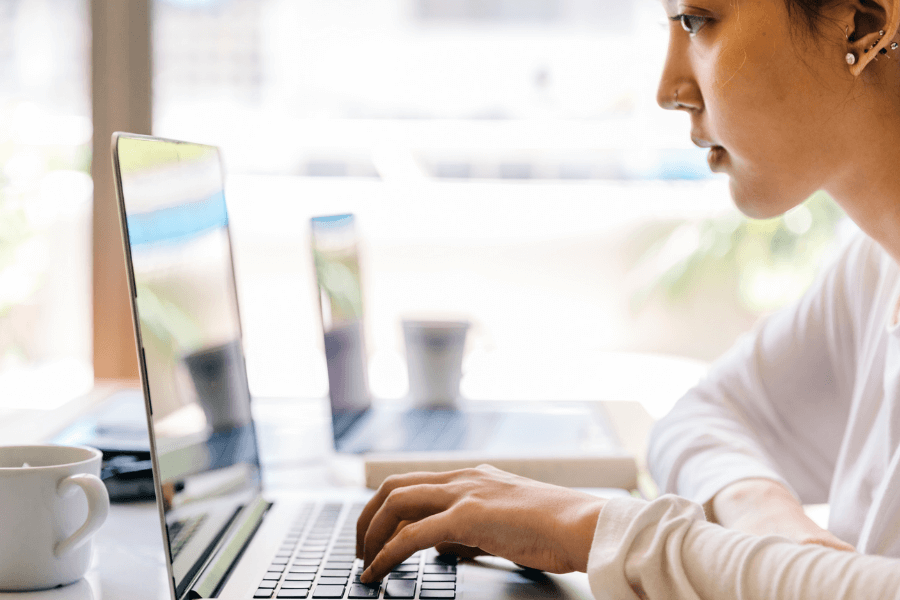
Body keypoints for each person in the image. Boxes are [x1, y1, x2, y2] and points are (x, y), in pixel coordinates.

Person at [355, 0, 900, 597]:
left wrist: (594, 531)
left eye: (696, 21)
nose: (668, 89)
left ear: (864, 24)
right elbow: (699, 418)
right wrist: (779, 540)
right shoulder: (873, 269)